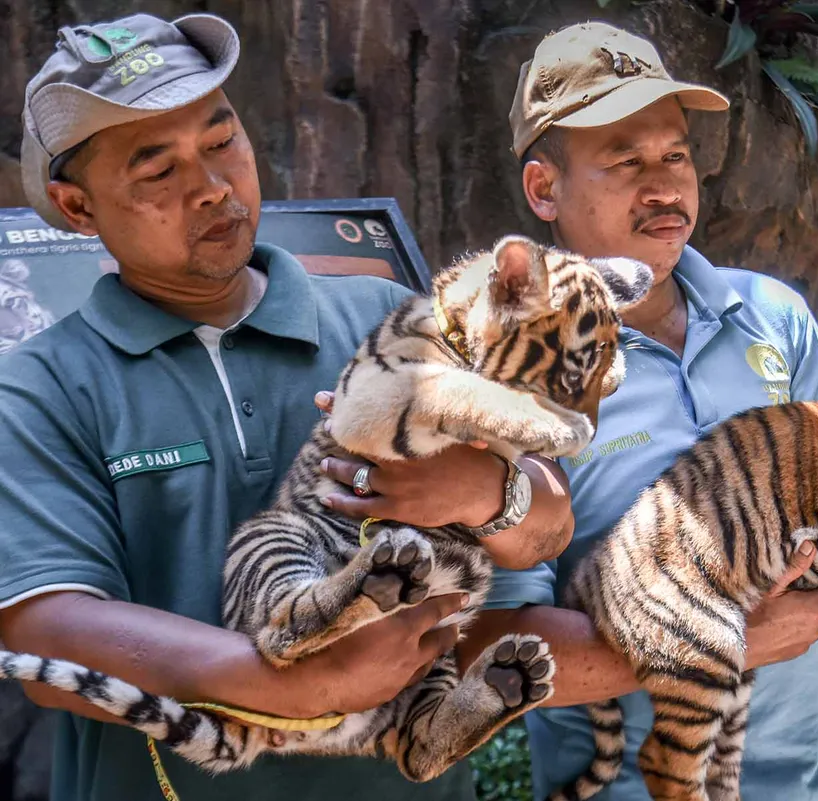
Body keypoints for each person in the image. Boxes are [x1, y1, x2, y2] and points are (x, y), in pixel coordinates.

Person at [0, 12, 575, 801]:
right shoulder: (39, 386)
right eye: (157, 170)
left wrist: (488, 491)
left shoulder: (386, 317)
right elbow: (45, 630)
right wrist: (296, 682)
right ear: (76, 206)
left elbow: (546, 525)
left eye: (221, 139)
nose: (211, 185)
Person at [462, 22, 818, 801]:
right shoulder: (508, 381)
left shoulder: (775, 318)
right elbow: (488, 649)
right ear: (544, 189)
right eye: (627, 162)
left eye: (677, 156)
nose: (665, 188)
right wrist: (725, 639)